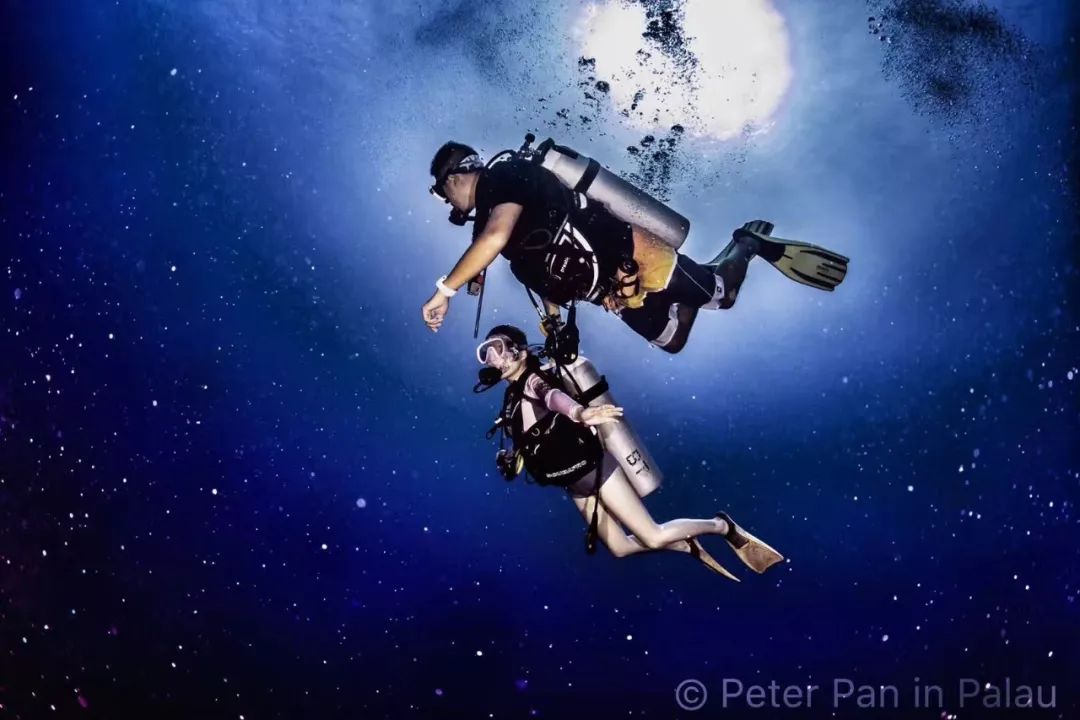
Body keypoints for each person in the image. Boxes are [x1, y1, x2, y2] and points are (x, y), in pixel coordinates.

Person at [422, 141, 849, 353]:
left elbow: (494, 237)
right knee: (672, 340)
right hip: (612, 292)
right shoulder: (498, 228)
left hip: (634, 253)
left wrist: (444, 292)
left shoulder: (505, 176)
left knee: (723, 297)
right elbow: (540, 273)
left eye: (443, 194)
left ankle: (746, 244)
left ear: (453, 178)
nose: (448, 204)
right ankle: (697, 279)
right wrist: (555, 326)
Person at [476, 324, 784, 578]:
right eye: (487, 354)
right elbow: (532, 436)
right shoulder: (511, 399)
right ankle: (686, 545)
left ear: (520, 351)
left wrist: (580, 413)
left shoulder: (533, 379)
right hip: (572, 484)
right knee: (620, 549)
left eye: (499, 348)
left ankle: (722, 526)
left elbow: (552, 396)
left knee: (653, 536)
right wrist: (512, 458)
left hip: (593, 470)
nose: (494, 359)